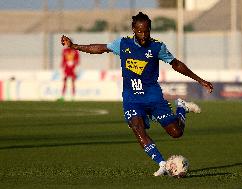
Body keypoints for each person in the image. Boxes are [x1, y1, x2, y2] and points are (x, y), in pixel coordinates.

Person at [61, 12, 213, 176]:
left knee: (176, 133)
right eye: (140, 31)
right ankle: (162, 164)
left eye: (146, 31)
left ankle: (181, 108)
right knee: (137, 127)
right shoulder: (123, 44)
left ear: (150, 29)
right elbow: (100, 48)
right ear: (133, 29)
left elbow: (176, 64)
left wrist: (200, 80)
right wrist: (74, 46)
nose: (143, 35)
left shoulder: (157, 47)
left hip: (153, 97)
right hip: (132, 99)